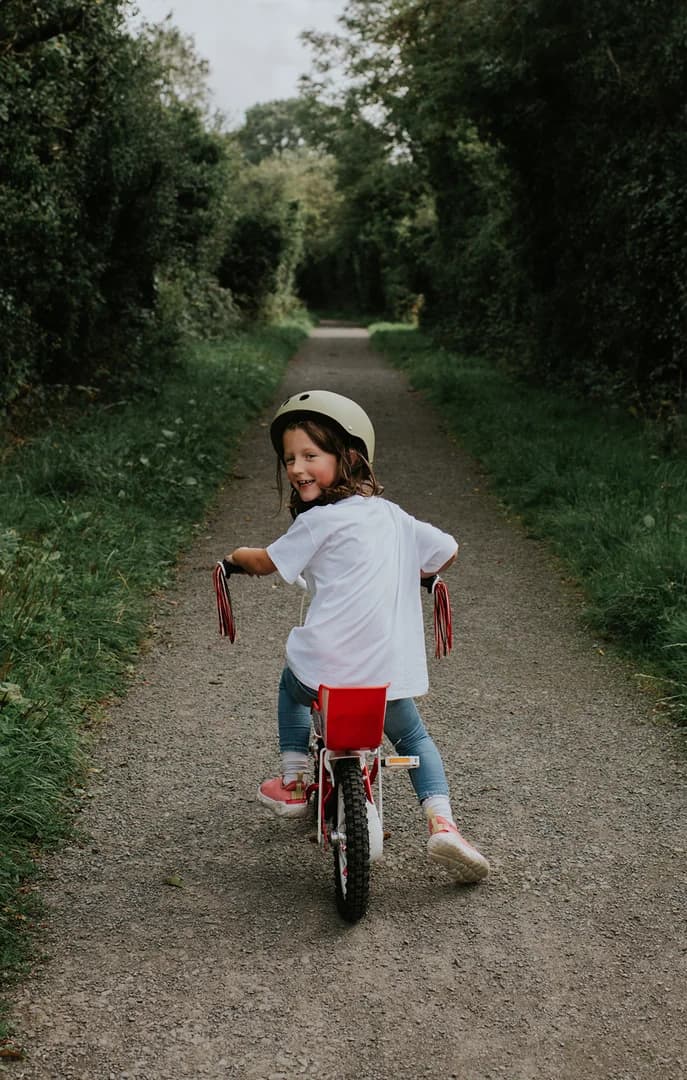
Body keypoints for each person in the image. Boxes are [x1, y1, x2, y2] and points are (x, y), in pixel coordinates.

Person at [226, 390, 489, 884]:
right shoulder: (393, 516)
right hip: (386, 675)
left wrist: (235, 557)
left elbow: (265, 562)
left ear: (347, 458)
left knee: (291, 686)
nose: (298, 468)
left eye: (311, 456)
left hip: (323, 671)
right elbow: (446, 550)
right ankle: (443, 822)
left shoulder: (318, 520)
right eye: (289, 459)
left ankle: (293, 779)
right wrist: (411, 569)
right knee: (412, 738)